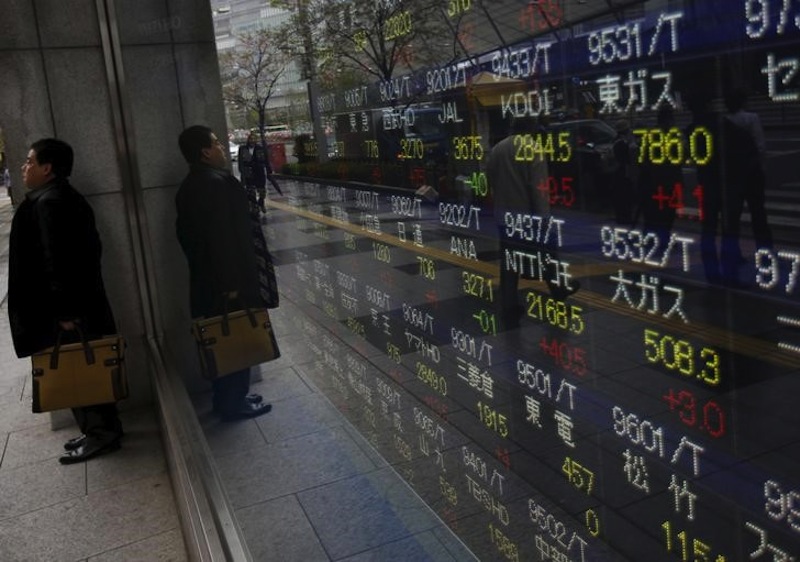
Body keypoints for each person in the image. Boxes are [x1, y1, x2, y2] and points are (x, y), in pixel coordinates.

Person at [7, 138, 123, 463]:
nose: (23, 167)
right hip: (74, 307)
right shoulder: (56, 197)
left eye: (29, 162)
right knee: (83, 369)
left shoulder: (51, 203)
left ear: (47, 168)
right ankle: (97, 430)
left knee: (81, 370)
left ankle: (102, 434)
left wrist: (66, 311)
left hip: (69, 311)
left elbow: (57, 262)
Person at [176, 125, 273, 421]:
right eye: (217, 143)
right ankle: (233, 403)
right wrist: (231, 285)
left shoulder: (192, 184)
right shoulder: (215, 184)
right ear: (205, 152)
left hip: (210, 281)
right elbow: (224, 239)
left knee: (221, 341)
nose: (221, 147)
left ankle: (228, 398)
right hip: (228, 283)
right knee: (234, 338)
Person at [487, 116, 578, 330]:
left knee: (509, 264)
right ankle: (559, 290)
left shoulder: (497, 149)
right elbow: (539, 188)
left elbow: (490, 179)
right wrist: (543, 218)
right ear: (530, 128)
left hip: (504, 217)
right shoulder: (532, 147)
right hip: (527, 217)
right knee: (547, 254)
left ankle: (509, 305)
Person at [237, 132, 282, 212]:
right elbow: (240, 161)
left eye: (254, 139)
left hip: (259, 172)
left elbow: (266, 160)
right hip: (248, 172)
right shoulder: (243, 149)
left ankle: (261, 203)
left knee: (262, 191)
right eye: (251, 139)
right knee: (250, 191)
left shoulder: (260, 148)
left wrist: (269, 170)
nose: (252, 140)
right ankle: (254, 206)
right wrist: (242, 171)